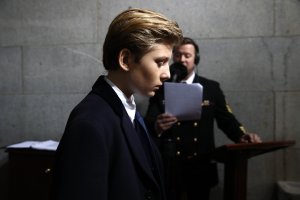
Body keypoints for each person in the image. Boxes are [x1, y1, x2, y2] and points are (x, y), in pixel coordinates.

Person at [51, 8, 182, 200]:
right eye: (159, 62)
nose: (167, 74)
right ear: (126, 60)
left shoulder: (127, 108)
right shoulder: (90, 122)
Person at [145, 37, 262, 200]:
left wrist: (241, 135)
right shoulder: (161, 88)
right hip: (171, 166)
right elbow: (149, 121)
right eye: (178, 55)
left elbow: (226, 119)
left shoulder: (211, 88)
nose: (182, 60)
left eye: (187, 55)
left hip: (201, 165)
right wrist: (157, 126)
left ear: (196, 59)